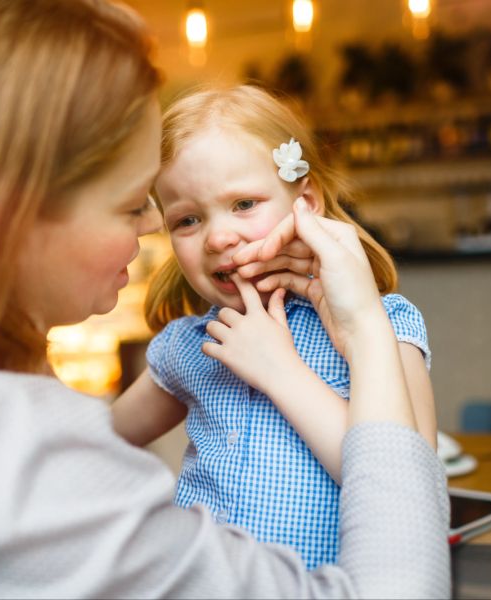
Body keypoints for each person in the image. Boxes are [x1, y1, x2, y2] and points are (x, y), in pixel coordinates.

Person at [0, 1, 449, 598]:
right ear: (17, 215)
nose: (155, 227)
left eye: (243, 203)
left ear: (304, 201)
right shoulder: (32, 457)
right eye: (136, 205)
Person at [111, 85, 437, 569]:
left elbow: (413, 484)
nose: (219, 237)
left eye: (243, 204)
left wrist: (280, 372)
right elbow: (102, 440)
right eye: (188, 220)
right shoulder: (189, 345)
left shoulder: (383, 325)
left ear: (306, 202)